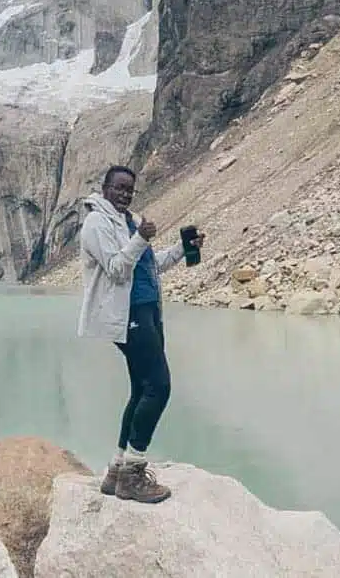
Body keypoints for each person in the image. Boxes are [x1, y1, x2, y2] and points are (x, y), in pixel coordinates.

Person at [77, 164, 204, 504]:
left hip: (148, 311)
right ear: (104, 188)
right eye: (119, 187)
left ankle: (117, 470)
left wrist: (181, 248)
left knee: (141, 389)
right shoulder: (95, 224)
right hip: (127, 316)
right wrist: (140, 237)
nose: (125, 193)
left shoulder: (128, 221)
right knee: (159, 386)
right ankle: (133, 475)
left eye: (130, 188)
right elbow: (117, 269)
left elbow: (149, 264)